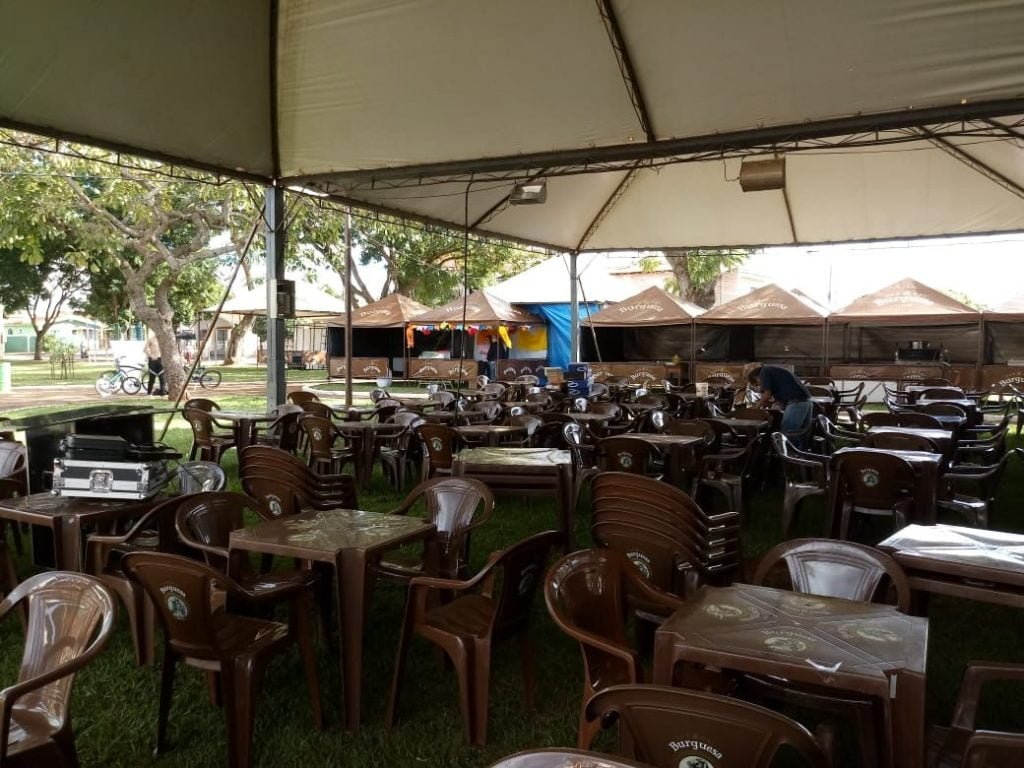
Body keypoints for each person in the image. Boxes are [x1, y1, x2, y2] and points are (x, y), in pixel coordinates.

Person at [745, 363, 812, 447]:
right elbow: (775, 400)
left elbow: (766, 395)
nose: (760, 386)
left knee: (786, 434)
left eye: (757, 383)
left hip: (796, 403)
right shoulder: (774, 374)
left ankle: (787, 454)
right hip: (805, 402)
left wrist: (754, 409)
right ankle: (800, 454)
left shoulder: (764, 372)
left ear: (756, 377)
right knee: (800, 435)